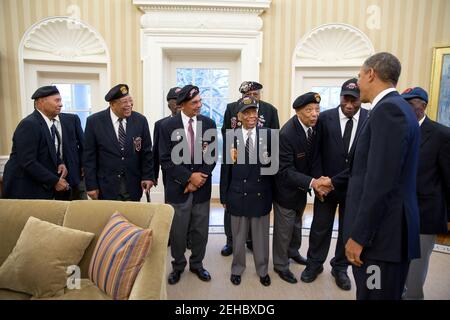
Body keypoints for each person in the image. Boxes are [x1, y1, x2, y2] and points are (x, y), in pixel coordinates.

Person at [329, 52, 421, 300]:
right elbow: (368, 167)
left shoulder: (388, 111)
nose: (357, 83)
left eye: (359, 76)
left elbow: (380, 183)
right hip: (385, 235)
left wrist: (359, 237)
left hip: (380, 240)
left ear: (371, 74)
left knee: (374, 294)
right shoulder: (397, 108)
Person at [303, 79, 368, 289]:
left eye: (354, 100)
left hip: (354, 188)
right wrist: (319, 182)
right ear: (340, 97)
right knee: (320, 227)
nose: (349, 105)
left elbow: (366, 159)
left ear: (360, 99)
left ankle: (340, 267)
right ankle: (314, 264)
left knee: (347, 230)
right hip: (326, 188)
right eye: (345, 99)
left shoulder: (370, 118)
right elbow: (315, 154)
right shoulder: (325, 118)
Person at [159, 85, 217, 285]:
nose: (199, 105)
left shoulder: (208, 123)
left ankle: (197, 264)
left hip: (201, 189)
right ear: (181, 105)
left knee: (200, 231)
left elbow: (211, 157)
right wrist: (188, 178)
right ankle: (178, 265)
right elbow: (165, 160)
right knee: (178, 232)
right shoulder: (167, 126)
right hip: (178, 189)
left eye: (200, 101)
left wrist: (197, 179)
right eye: (194, 103)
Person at [272, 92, 332, 284]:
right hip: (286, 190)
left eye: (317, 109)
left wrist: (318, 180)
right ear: (298, 111)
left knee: (297, 224)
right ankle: (281, 265)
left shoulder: (313, 128)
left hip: (301, 189)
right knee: (284, 229)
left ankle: (293, 252)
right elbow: (285, 171)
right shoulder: (287, 134)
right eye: (309, 110)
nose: (315, 114)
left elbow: (313, 159)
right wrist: (313, 183)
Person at [401, 87, 450, 300]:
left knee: (415, 273)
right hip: (396, 213)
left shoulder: (442, 135)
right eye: (405, 103)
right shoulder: (397, 130)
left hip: (425, 215)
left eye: (411, 103)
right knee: (396, 269)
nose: (407, 108)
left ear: (423, 105)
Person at [221, 81, 280, 257]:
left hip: (260, 162)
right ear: (242, 96)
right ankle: (231, 241)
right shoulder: (232, 108)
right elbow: (226, 132)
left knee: (256, 206)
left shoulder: (270, 110)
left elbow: (275, 138)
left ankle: (252, 241)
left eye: (255, 94)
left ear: (260, 94)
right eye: (248, 95)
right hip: (237, 156)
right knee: (233, 205)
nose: (252, 98)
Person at [220, 96, 273, 287]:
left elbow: (272, 171)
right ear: (239, 116)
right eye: (247, 113)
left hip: (260, 194)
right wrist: (224, 196)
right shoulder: (230, 137)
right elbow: (226, 169)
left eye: (254, 112)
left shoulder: (268, 135)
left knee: (261, 238)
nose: (251, 116)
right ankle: (237, 269)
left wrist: (272, 197)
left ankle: (262, 270)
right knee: (239, 237)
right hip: (237, 193)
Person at [83, 84, 154, 201]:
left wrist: (148, 176)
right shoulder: (94, 122)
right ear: (112, 104)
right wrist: (91, 185)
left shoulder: (140, 120)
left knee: (131, 218)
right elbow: (89, 157)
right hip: (105, 186)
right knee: (108, 219)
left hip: (132, 185)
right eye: (124, 102)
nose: (129, 105)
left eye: (130, 101)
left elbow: (146, 152)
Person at [3, 86, 69, 199]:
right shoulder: (29, 124)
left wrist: (60, 162)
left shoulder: (48, 124)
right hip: (25, 190)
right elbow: (27, 161)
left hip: (40, 188)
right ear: (41, 102)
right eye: (57, 100)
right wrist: (54, 181)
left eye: (60, 100)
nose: (61, 104)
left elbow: (47, 151)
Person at [54, 112, 86, 200]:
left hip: (74, 173)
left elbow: (83, 144)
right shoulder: (37, 124)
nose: (60, 104)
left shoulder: (72, 119)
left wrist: (83, 164)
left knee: (78, 206)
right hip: (51, 174)